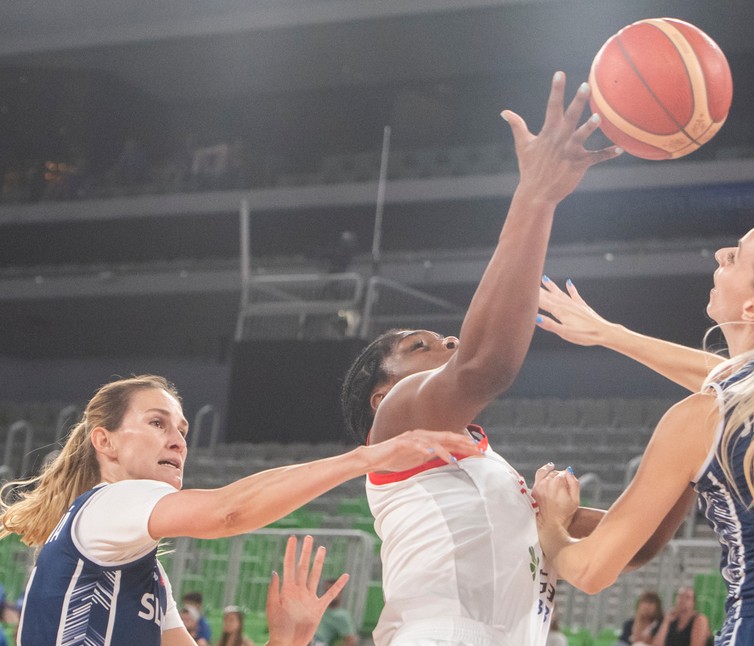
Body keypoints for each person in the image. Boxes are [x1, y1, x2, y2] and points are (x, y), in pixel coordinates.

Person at [338, 72, 692, 646]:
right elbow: (484, 365)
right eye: (418, 346)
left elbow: (639, 541)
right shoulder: (396, 425)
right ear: (383, 395)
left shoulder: (496, 482)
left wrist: (701, 449)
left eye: (443, 338)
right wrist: (537, 196)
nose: (446, 342)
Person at [532, 219, 754, 645]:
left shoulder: (701, 418)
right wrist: (611, 334)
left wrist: (552, 529)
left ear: (753, 308)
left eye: (735, 257)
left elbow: (593, 570)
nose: (719, 256)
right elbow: (737, 380)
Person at [0, 374, 478, 645]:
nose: (177, 438)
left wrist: (285, 639)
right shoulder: (110, 502)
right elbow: (228, 513)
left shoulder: (143, 575)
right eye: (156, 422)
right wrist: (365, 457)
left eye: (183, 429)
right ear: (104, 441)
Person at [312, 582, 358, 646]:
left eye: (335, 592)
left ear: (341, 593)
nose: (330, 595)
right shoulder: (316, 608)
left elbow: (351, 640)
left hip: (318, 641)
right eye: (327, 591)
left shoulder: (342, 616)